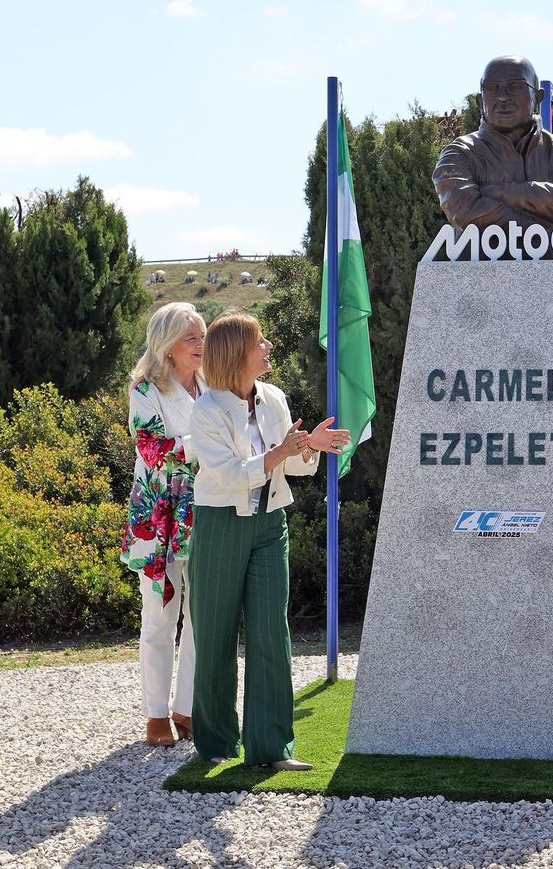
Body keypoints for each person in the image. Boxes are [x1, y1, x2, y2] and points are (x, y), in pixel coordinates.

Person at [187, 312, 349, 768]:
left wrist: (310, 446)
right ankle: (217, 745)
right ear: (238, 353)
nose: (268, 346)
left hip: (269, 524)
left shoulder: (273, 398)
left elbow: (293, 468)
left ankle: (272, 748)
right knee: (216, 634)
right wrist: (284, 450)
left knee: (271, 634)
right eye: (260, 341)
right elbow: (231, 476)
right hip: (219, 524)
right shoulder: (207, 410)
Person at [122, 302, 206, 746]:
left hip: (209, 509)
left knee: (202, 615)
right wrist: (209, 443)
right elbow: (154, 451)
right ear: (168, 344)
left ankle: (187, 708)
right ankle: (155, 713)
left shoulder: (215, 385)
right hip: (159, 518)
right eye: (191, 337)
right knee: (159, 615)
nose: (200, 344)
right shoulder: (145, 388)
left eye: (202, 335)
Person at [432, 55, 553, 231]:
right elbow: (465, 211)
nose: (503, 97)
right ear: (480, 101)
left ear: (538, 97)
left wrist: (504, 192)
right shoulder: (459, 154)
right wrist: (543, 231)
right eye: (492, 88)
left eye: (516, 87)